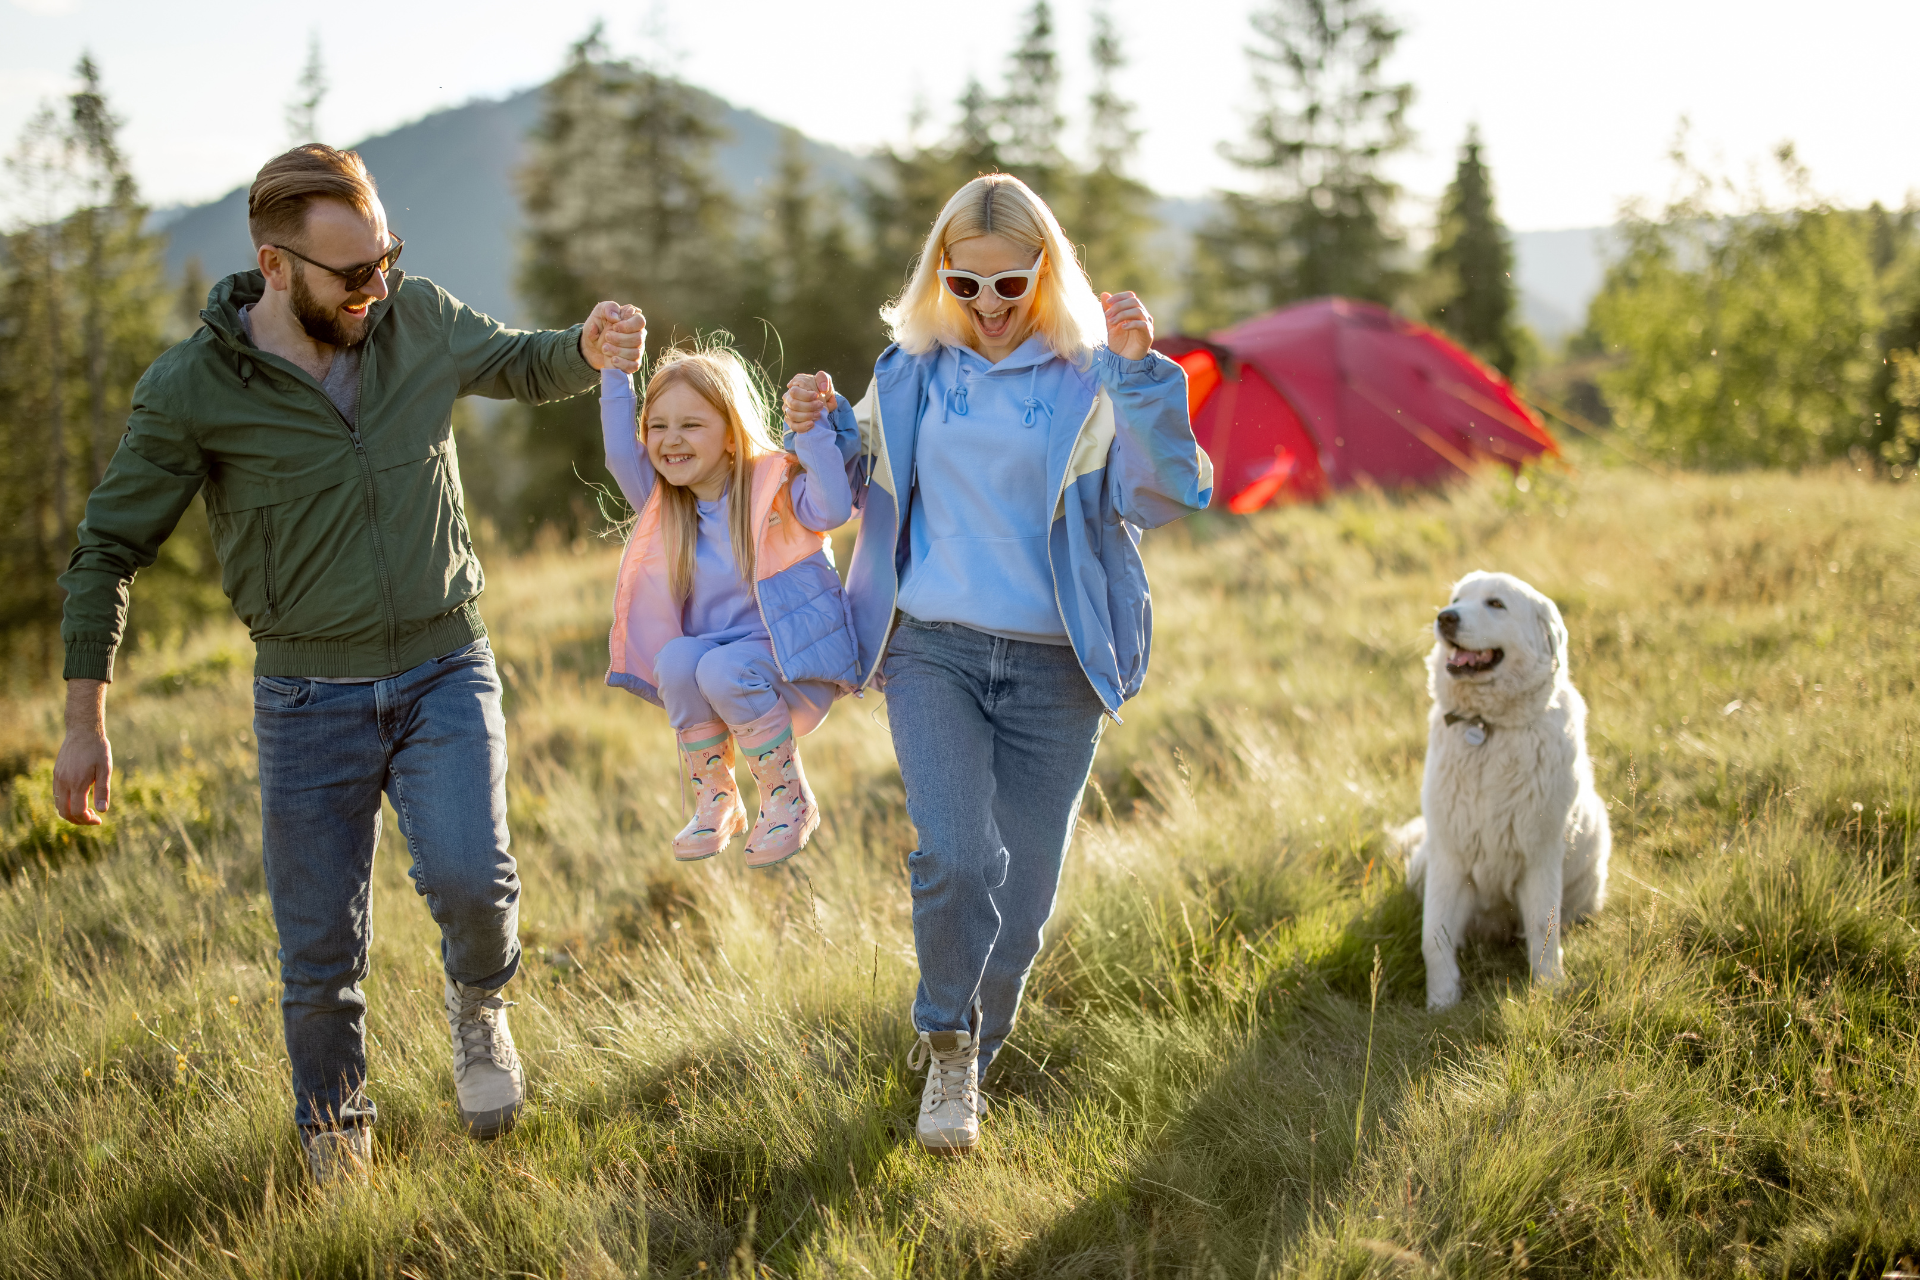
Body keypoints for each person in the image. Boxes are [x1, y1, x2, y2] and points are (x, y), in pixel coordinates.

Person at [51, 144, 644, 1186]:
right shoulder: (194, 390)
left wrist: (588, 345)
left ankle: (479, 1006)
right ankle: (334, 1122)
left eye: (386, 257)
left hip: (443, 662)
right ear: (275, 268)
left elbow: (519, 359)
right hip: (304, 698)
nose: (379, 286)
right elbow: (107, 549)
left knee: (473, 881)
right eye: (352, 273)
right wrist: (83, 717)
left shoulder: (414, 317)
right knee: (319, 948)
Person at [782, 173, 1213, 1157]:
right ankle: (947, 1041)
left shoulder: (1092, 377)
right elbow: (839, 491)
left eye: (1008, 285)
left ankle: (978, 1040)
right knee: (957, 856)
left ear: (1045, 273)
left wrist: (1146, 372)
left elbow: (1168, 494)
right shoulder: (910, 369)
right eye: (964, 283)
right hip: (931, 647)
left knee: (1019, 904)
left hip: (1058, 667)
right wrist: (816, 424)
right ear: (941, 274)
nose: (985, 306)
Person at [599, 330, 857, 867]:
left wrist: (809, 431)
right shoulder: (665, 504)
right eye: (658, 426)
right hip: (727, 679)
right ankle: (718, 799)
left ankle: (789, 797)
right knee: (676, 658)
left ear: (733, 436)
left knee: (718, 667)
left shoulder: (776, 488)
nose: (671, 439)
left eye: (691, 424)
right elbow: (621, 452)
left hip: (795, 668)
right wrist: (615, 371)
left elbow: (833, 507)